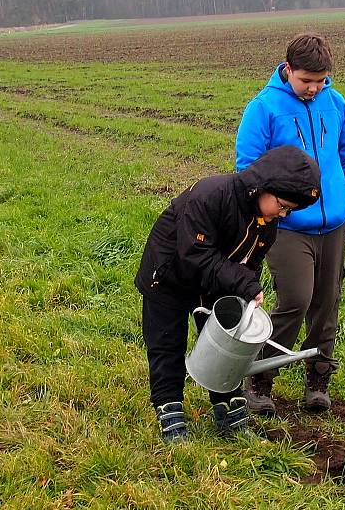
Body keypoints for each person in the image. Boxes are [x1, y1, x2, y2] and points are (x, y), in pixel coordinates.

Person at [135, 146, 321, 442]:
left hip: (213, 281)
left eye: (289, 211)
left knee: (227, 345)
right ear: (263, 187)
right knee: (167, 344)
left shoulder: (267, 223)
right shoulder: (210, 196)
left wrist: (246, 291)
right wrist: (243, 283)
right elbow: (194, 254)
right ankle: (170, 412)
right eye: (283, 205)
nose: (283, 214)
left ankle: (230, 412)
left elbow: (251, 263)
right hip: (168, 276)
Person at [235, 32, 345, 415]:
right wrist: (277, 208)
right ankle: (260, 376)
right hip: (288, 227)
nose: (313, 88)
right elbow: (248, 168)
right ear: (287, 69)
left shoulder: (335, 103)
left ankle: (319, 376)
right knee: (296, 299)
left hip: (334, 225)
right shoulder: (264, 108)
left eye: (320, 80)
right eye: (306, 80)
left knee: (327, 302)